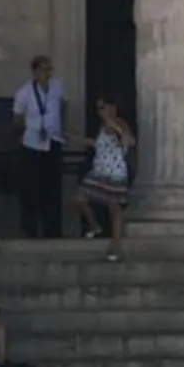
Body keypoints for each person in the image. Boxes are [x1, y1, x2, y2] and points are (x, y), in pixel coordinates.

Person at [12, 54, 67, 239]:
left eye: (49, 69)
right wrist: (22, 134)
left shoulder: (57, 86)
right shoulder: (24, 92)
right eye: (44, 70)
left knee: (52, 189)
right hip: (32, 143)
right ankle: (30, 229)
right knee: (31, 189)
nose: (47, 73)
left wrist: (63, 128)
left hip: (53, 140)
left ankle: (53, 230)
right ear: (35, 71)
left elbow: (62, 105)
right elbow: (17, 117)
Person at [76, 97, 136, 255]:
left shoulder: (120, 123)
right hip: (99, 170)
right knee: (80, 199)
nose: (101, 111)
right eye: (99, 108)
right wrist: (73, 138)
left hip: (115, 171)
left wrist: (114, 124)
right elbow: (97, 143)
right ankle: (94, 224)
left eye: (103, 107)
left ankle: (115, 246)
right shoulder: (102, 127)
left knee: (114, 208)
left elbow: (128, 139)